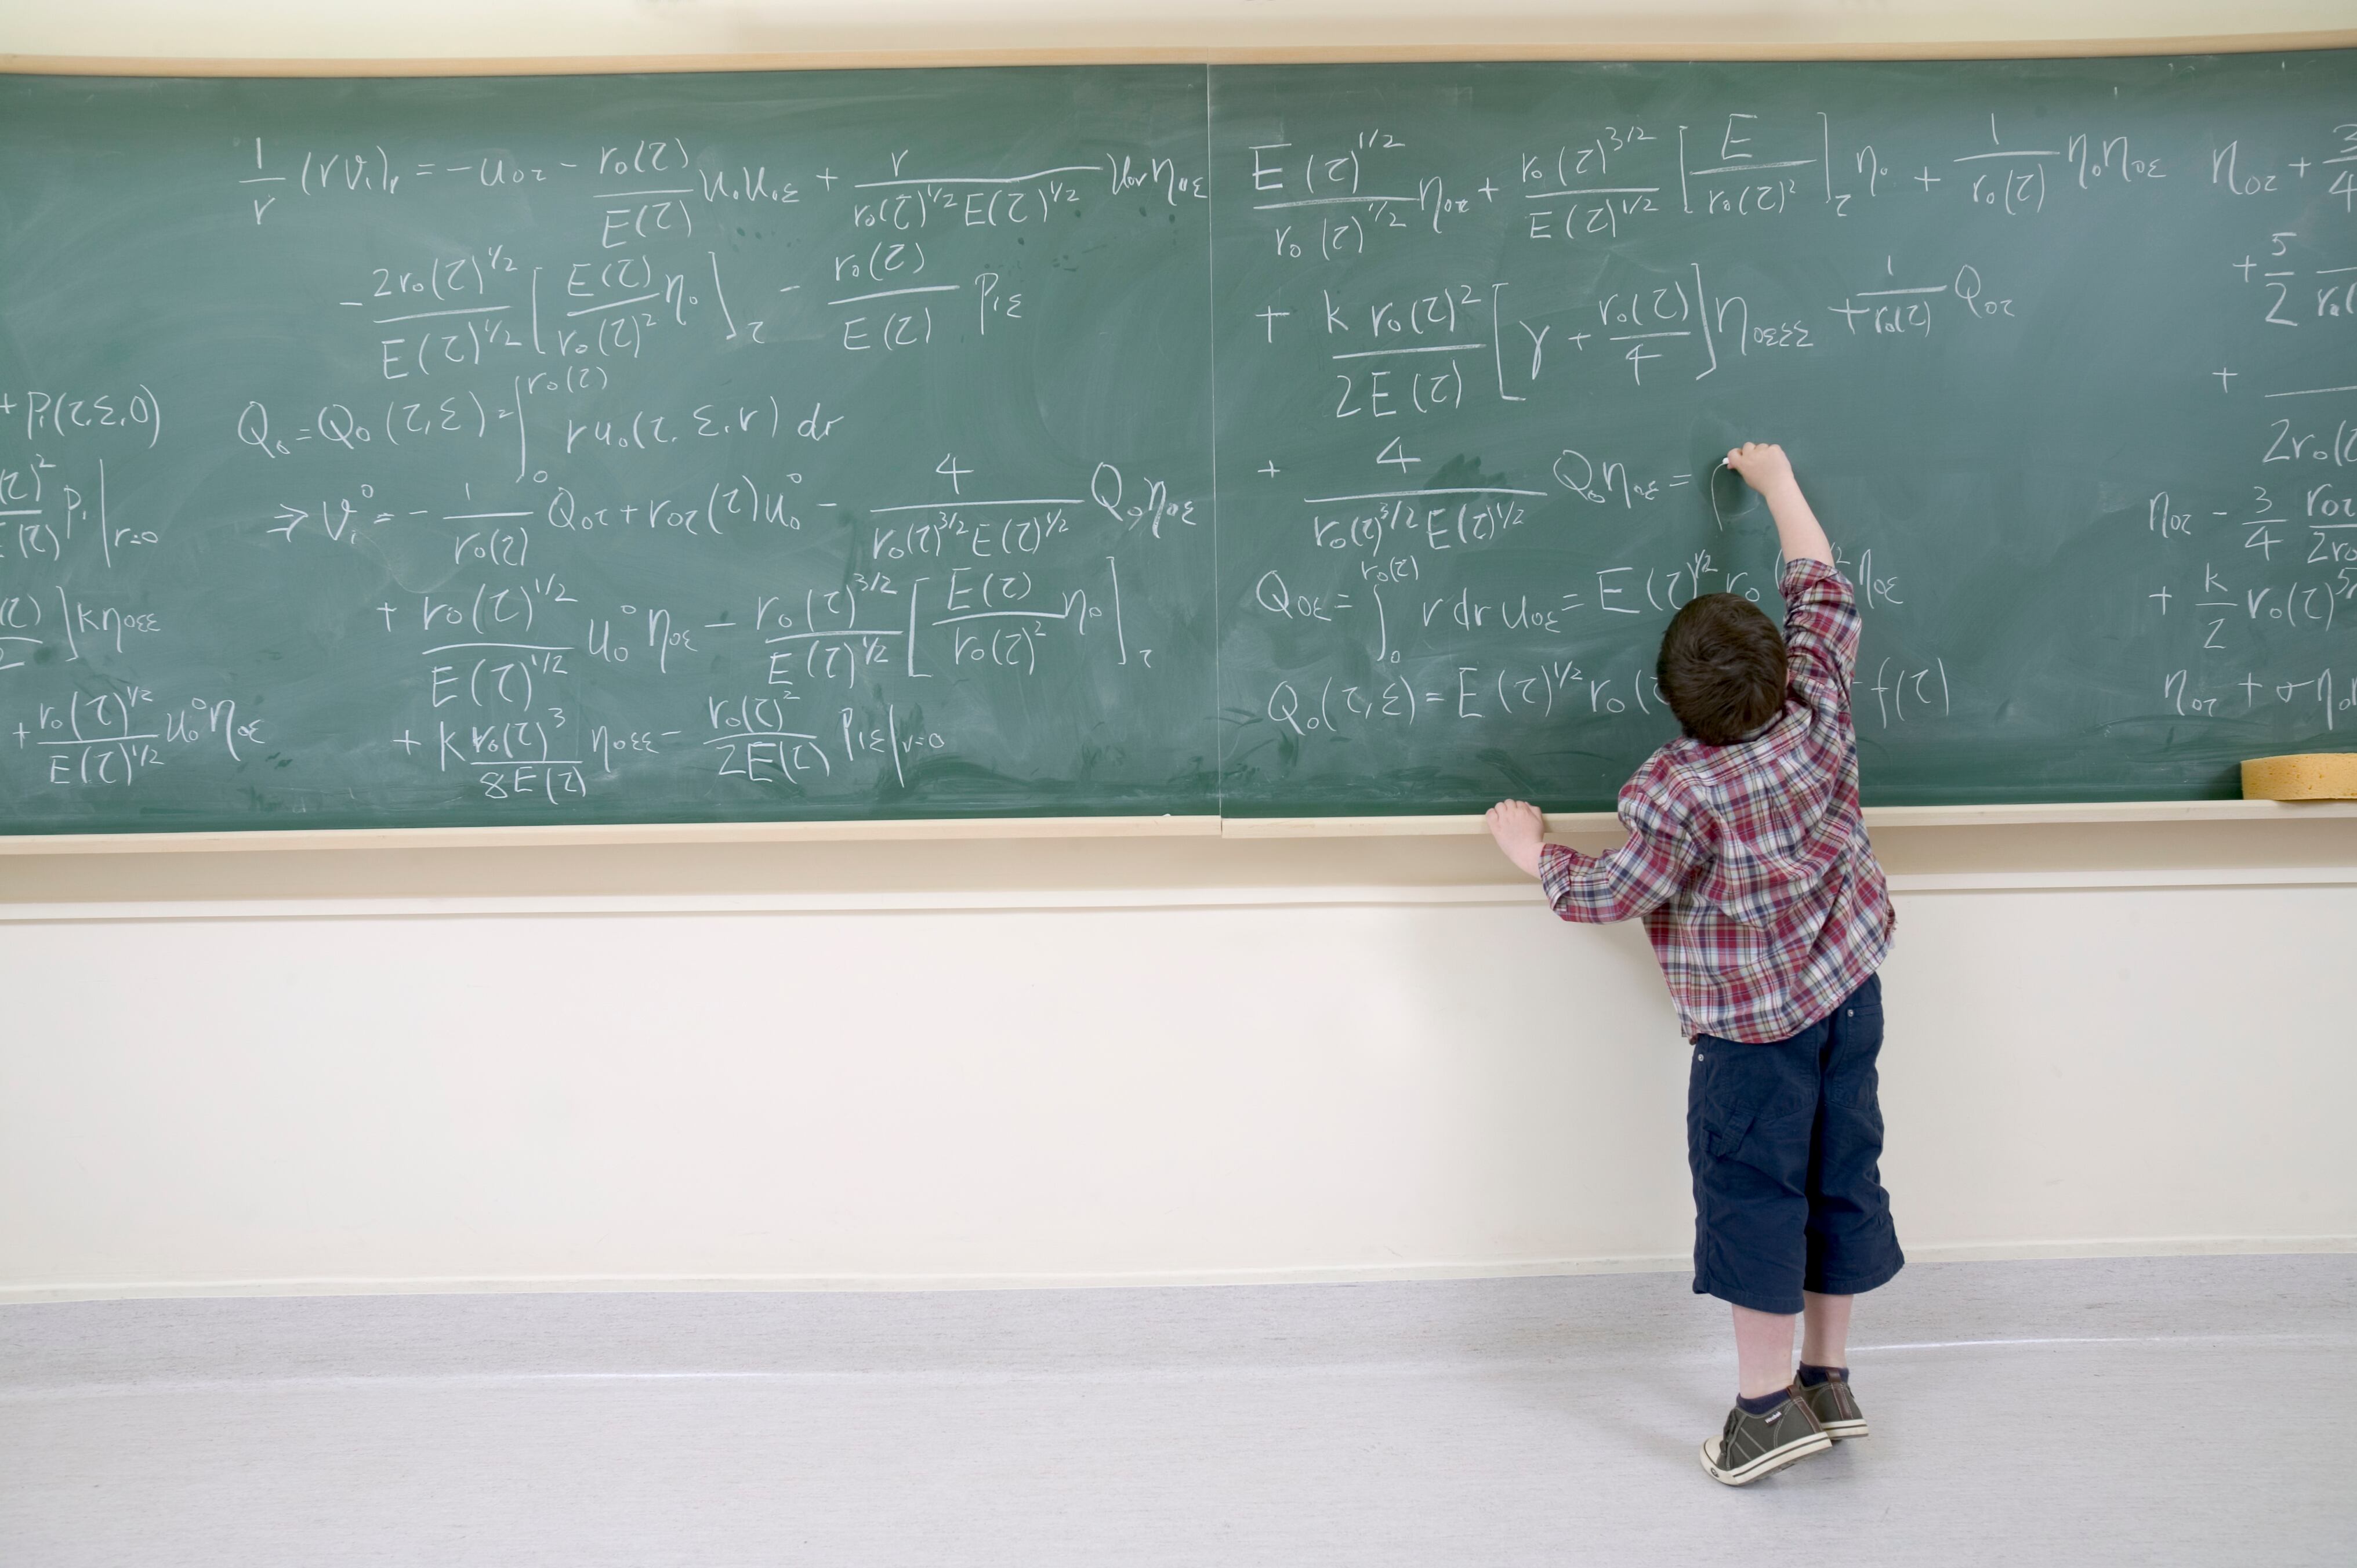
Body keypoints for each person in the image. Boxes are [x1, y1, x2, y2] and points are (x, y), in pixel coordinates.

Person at [1483, 442, 1902, 1486]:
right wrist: (1780, 487)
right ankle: (1828, 1379)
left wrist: (1535, 854)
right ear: (1778, 668)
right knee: (1838, 1178)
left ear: (1673, 703)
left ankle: (1765, 1412)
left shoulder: (1677, 791)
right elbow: (1822, 592)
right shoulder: (1818, 710)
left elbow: (1614, 892)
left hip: (1754, 1042)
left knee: (1755, 1202)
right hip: (1851, 996)